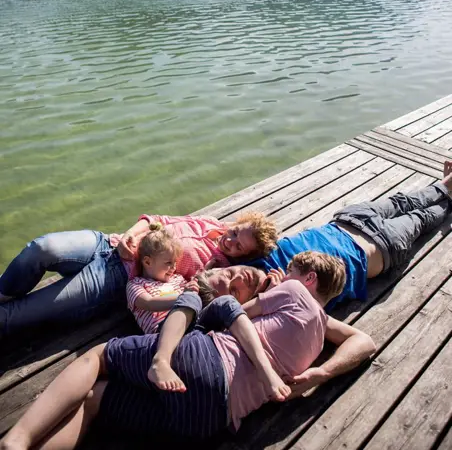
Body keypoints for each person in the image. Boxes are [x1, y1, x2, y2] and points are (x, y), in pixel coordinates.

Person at [0, 252, 376, 449]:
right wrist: (321, 374)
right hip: (205, 422)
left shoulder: (294, 292)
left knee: (96, 357)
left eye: (291, 271)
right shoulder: (316, 341)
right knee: (95, 400)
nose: (282, 276)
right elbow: (365, 343)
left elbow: (233, 313)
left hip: (206, 361)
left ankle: (15, 441)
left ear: (307, 279)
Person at [0, 211, 277, 337]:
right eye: (236, 232)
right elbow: (158, 221)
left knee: (17, 315)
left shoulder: (219, 268)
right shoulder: (210, 223)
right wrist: (130, 236)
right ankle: (4, 292)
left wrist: (268, 285)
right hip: (108, 244)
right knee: (41, 247)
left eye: (239, 246)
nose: (231, 240)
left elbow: (221, 298)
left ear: (243, 256)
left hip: (115, 279)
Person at [233, 161, 452, 309]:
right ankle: (449, 198)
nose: (238, 278)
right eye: (234, 291)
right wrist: (270, 299)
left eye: (227, 274)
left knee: (402, 201)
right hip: (381, 244)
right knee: (422, 218)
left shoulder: (252, 258)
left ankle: (445, 184)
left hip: (348, 220)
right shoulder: (287, 299)